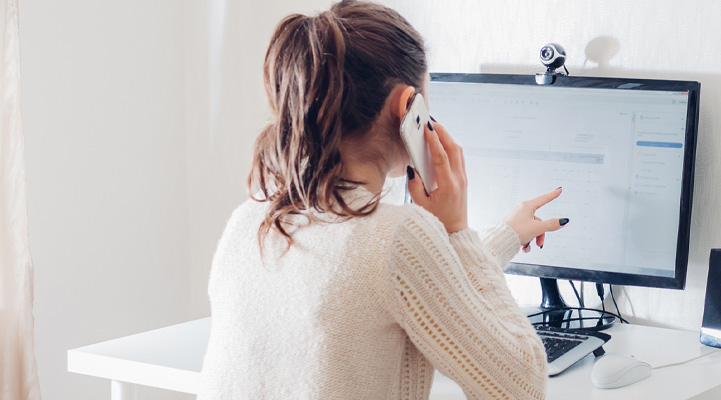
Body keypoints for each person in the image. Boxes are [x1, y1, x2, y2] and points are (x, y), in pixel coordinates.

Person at [198, 1, 561, 398]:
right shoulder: (400, 236)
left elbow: (399, 285)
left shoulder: (250, 221)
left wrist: (505, 234)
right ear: (409, 107)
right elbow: (522, 386)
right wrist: (455, 231)